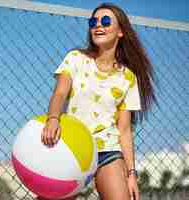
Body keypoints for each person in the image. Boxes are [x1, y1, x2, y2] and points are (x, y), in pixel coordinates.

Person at [39, 2, 156, 200]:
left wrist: (131, 174)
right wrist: (53, 118)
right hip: (72, 147)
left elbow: (125, 130)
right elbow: (59, 93)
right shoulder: (75, 58)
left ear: (120, 31)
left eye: (106, 20)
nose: (98, 25)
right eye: (94, 21)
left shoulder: (127, 77)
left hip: (107, 150)